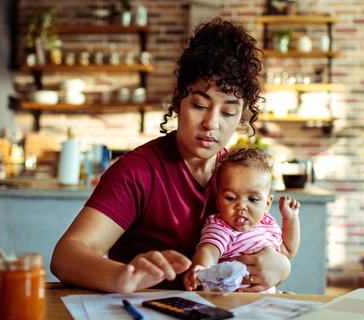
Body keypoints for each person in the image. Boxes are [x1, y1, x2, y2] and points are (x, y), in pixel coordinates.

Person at [51, 16, 292, 294]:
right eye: (200, 106)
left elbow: (262, 242)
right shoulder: (138, 171)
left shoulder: (238, 174)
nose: (212, 124)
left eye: (227, 112)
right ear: (178, 99)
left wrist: (281, 266)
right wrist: (124, 276)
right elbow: (67, 256)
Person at [183, 147, 300, 293]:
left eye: (253, 199)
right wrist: (201, 268)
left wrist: (290, 219)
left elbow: (287, 251)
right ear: (218, 202)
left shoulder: (267, 224)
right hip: (231, 299)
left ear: (267, 204)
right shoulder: (221, 226)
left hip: (264, 302)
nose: (241, 206)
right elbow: (209, 251)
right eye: (231, 198)